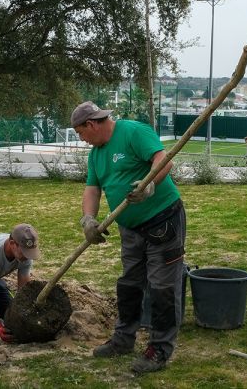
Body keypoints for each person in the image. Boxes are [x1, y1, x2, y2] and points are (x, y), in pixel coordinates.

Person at [71, 101, 186, 374]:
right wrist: (88, 219)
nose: (81, 139)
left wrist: (149, 185)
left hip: (163, 220)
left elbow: (163, 159)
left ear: (91, 124)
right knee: (130, 284)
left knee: (162, 287)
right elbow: (92, 189)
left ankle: (160, 349)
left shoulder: (133, 131)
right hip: (130, 229)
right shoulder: (96, 155)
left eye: (80, 133)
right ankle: (123, 339)